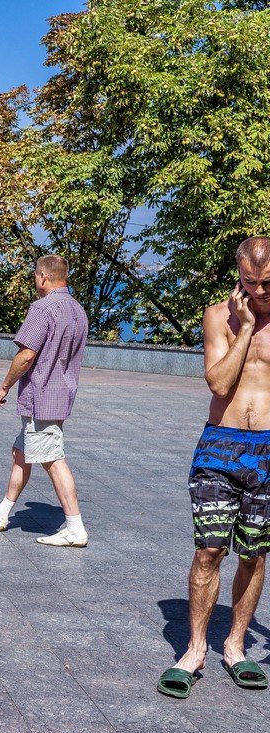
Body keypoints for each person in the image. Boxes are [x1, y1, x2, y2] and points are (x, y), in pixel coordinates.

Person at [157, 237, 270, 700]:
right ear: (238, 276)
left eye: (268, 284)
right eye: (250, 283)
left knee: (254, 553)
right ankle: (195, 649)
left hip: (268, 450)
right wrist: (244, 328)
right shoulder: (217, 316)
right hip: (220, 446)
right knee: (208, 550)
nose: (260, 292)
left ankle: (236, 645)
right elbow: (219, 382)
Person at [0, 254, 90, 547]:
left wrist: (3, 387)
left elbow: (26, 354)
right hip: (60, 394)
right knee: (21, 453)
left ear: (42, 276)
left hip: (42, 397)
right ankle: (2, 513)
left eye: (35, 276)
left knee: (52, 459)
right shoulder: (78, 310)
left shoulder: (42, 309)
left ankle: (75, 527)